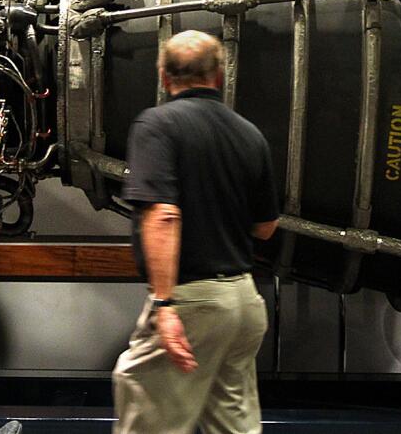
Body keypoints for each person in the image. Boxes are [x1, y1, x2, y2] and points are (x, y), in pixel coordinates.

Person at [113, 30, 280, 434]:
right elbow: (266, 227)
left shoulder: (157, 125)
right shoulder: (248, 134)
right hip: (243, 302)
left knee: (144, 407)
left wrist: (165, 306)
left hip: (193, 303)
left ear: (164, 77)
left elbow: (164, 216)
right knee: (233, 425)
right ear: (219, 76)